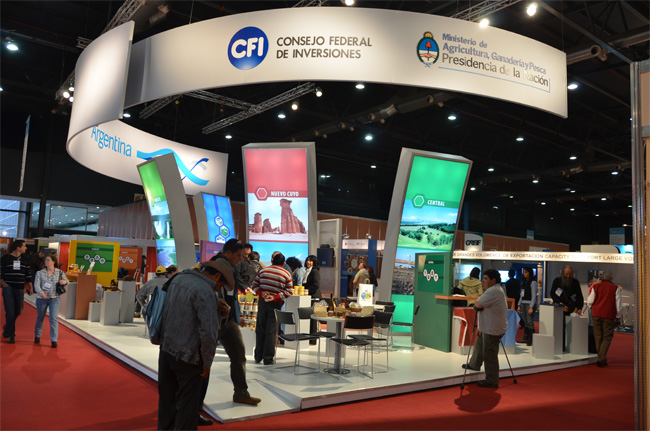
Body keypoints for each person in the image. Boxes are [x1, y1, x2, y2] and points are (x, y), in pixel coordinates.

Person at [157, 259, 231, 430]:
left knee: (167, 402)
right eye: (221, 285)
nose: (218, 289)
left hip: (167, 348)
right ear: (217, 276)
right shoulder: (206, 292)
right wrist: (207, 362)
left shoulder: (179, 279)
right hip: (189, 355)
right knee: (187, 406)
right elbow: (209, 332)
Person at [203, 239, 261, 409]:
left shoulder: (234, 269)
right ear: (228, 253)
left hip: (229, 321)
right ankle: (196, 403)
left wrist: (237, 314)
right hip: (214, 320)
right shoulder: (215, 266)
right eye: (238, 255)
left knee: (239, 356)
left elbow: (233, 295)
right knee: (204, 362)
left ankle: (241, 393)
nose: (241, 259)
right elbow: (207, 292)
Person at [461, 269, 508, 388]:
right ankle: (474, 364)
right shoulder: (495, 290)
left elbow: (477, 305)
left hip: (492, 328)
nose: (483, 281)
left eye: (486, 278)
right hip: (488, 326)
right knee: (479, 344)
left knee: (489, 354)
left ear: (493, 280)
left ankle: (492, 380)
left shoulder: (493, 291)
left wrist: (478, 305)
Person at [251, 252, 293, 365]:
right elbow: (289, 291)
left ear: (272, 261)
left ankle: (258, 356)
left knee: (260, 328)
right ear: (283, 263)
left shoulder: (263, 271)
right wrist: (274, 297)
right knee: (271, 331)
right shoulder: (286, 274)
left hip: (262, 302)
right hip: (276, 304)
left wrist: (262, 293)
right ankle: (268, 358)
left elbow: (254, 285)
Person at [1, 240, 33, 344]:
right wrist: (4, 284)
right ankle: (11, 335)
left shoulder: (25, 259)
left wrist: (30, 287)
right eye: (24, 246)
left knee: (18, 310)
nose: (26, 248)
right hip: (8, 288)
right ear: (18, 248)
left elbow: (28, 274)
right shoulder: (5, 258)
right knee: (10, 312)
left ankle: (7, 327)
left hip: (20, 288)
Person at [587, 271, 621, 367]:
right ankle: (601, 358)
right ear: (611, 278)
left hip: (596, 314)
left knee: (598, 336)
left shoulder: (595, 286)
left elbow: (590, 301)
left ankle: (601, 358)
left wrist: (591, 308)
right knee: (607, 336)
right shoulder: (615, 288)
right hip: (608, 315)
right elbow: (618, 304)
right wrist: (618, 316)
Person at [33, 255, 68, 347]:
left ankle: (54, 340)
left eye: (48, 260)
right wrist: (41, 293)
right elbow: (36, 285)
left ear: (53, 262)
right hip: (42, 299)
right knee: (40, 318)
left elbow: (67, 281)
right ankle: (37, 335)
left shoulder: (60, 272)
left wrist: (64, 282)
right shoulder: (40, 273)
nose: (46, 261)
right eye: (45, 260)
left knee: (53, 318)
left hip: (55, 298)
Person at [516, 267, 537, 346]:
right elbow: (522, 295)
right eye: (524, 272)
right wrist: (519, 305)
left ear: (530, 273)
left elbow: (534, 296)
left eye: (526, 272)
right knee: (525, 322)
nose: (524, 273)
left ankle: (530, 339)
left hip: (529, 304)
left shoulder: (533, 282)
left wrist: (531, 307)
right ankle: (526, 337)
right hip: (523, 303)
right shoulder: (524, 283)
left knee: (530, 322)